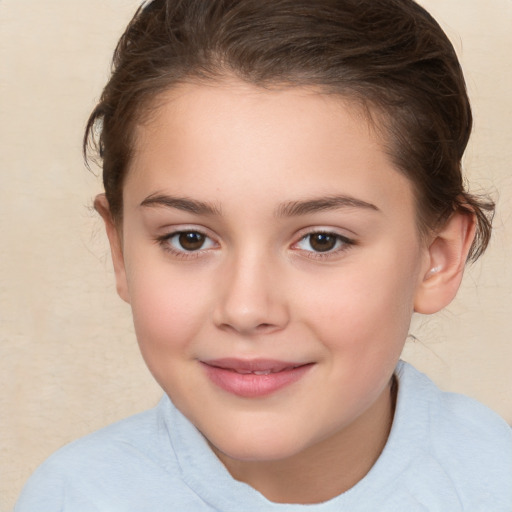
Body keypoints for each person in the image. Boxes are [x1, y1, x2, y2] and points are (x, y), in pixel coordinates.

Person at [14, 0, 512, 510]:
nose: (247, 309)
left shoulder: (494, 481)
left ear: (438, 256)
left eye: (323, 240)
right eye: (189, 239)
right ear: (121, 252)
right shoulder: (73, 496)